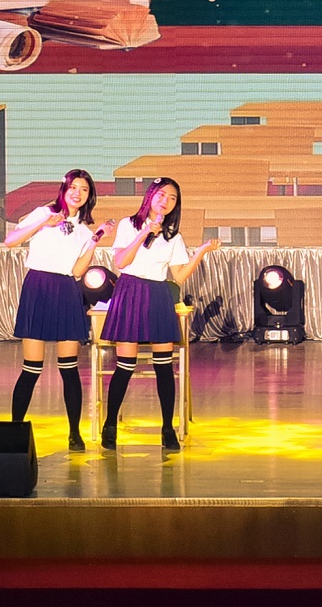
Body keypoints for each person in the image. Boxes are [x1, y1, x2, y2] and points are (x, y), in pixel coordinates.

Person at [98, 178, 218, 451]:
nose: (166, 201)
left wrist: (201, 251)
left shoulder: (173, 236)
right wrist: (144, 233)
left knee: (164, 366)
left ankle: (167, 428)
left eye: (172, 198)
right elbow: (120, 262)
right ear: (150, 195)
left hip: (158, 295)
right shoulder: (129, 224)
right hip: (130, 291)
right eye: (162, 195)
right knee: (125, 365)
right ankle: (110, 424)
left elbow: (179, 276)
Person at [2, 169, 110, 452]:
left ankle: (74, 433)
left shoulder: (84, 230)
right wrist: (43, 223)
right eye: (73, 187)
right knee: (31, 368)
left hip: (66, 290)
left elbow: (78, 271)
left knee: (69, 368)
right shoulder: (43, 213)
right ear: (64, 189)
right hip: (38, 286)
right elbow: (11, 241)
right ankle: (14, 431)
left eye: (84, 189)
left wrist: (94, 242)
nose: (78, 193)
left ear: (90, 196)